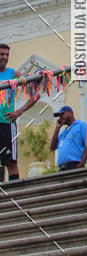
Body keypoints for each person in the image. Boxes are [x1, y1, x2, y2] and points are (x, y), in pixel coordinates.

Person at [0, 43, 39, 181]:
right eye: (1, 54)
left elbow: (35, 95)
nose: (4, 57)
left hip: (6, 123)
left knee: (11, 162)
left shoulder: (13, 73)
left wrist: (20, 111)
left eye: (7, 55)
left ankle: (14, 197)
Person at [50, 105, 87, 171]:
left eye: (62, 114)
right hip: (62, 169)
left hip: (74, 165)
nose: (60, 117)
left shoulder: (80, 125)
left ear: (70, 113)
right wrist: (57, 128)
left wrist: (82, 163)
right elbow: (52, 147)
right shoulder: (63, 132)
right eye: (59, 116)